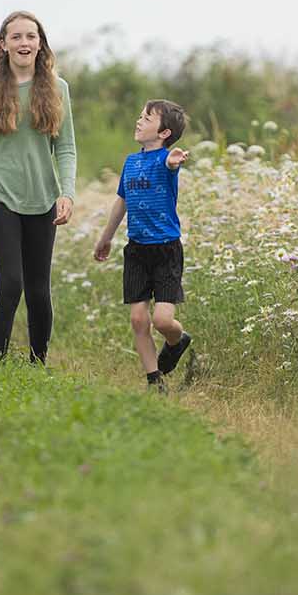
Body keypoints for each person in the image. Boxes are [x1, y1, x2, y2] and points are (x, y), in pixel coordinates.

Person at [0, 11, 76, 365]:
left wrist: (67, 193)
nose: (24, 43)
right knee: (11, 284)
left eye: (31, 36)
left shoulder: (59, 89)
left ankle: (37, 364)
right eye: (16, 37)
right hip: (1, 202)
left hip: (43, 199)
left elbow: (66, 147)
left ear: (40, 43)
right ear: (3, 44)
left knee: (39, 292)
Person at [93, 99, 194, 392]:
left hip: (166, 250)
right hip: (136, 251)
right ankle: (154, 380)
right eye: (139, 116)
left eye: (147, 119)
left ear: (163, 133)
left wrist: (173, 160)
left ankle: (179, 340)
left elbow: (170, 163)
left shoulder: (166, 160)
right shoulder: (131, 162)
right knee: (138, 319)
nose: (138, 122)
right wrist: (106, 237)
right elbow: (122, 201)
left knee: (163, 321)